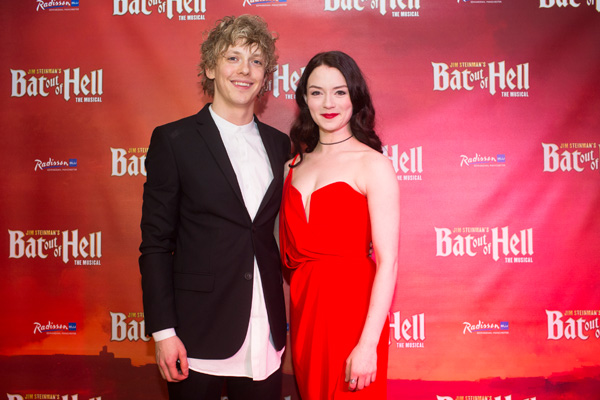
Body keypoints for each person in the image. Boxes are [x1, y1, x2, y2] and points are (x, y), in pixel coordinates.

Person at [139, 15, 290, 400]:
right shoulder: (174, 140)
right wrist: (164, 332)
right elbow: (156, 243)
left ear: (265, 75)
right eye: (233, 58)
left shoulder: (279, 145)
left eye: (256, 61)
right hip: (196, 336)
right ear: (210, 67)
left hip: (266, 333)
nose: (245, 70)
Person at [279, 51, 400, 399]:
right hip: (305, 317)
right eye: (317, 92)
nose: (328, 102)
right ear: (304, 99)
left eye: (340, 91)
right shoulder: (292, 167)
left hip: (353, 315)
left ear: (355, 97)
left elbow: (388, 263)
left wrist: (367, 345)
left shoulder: (373, 164)